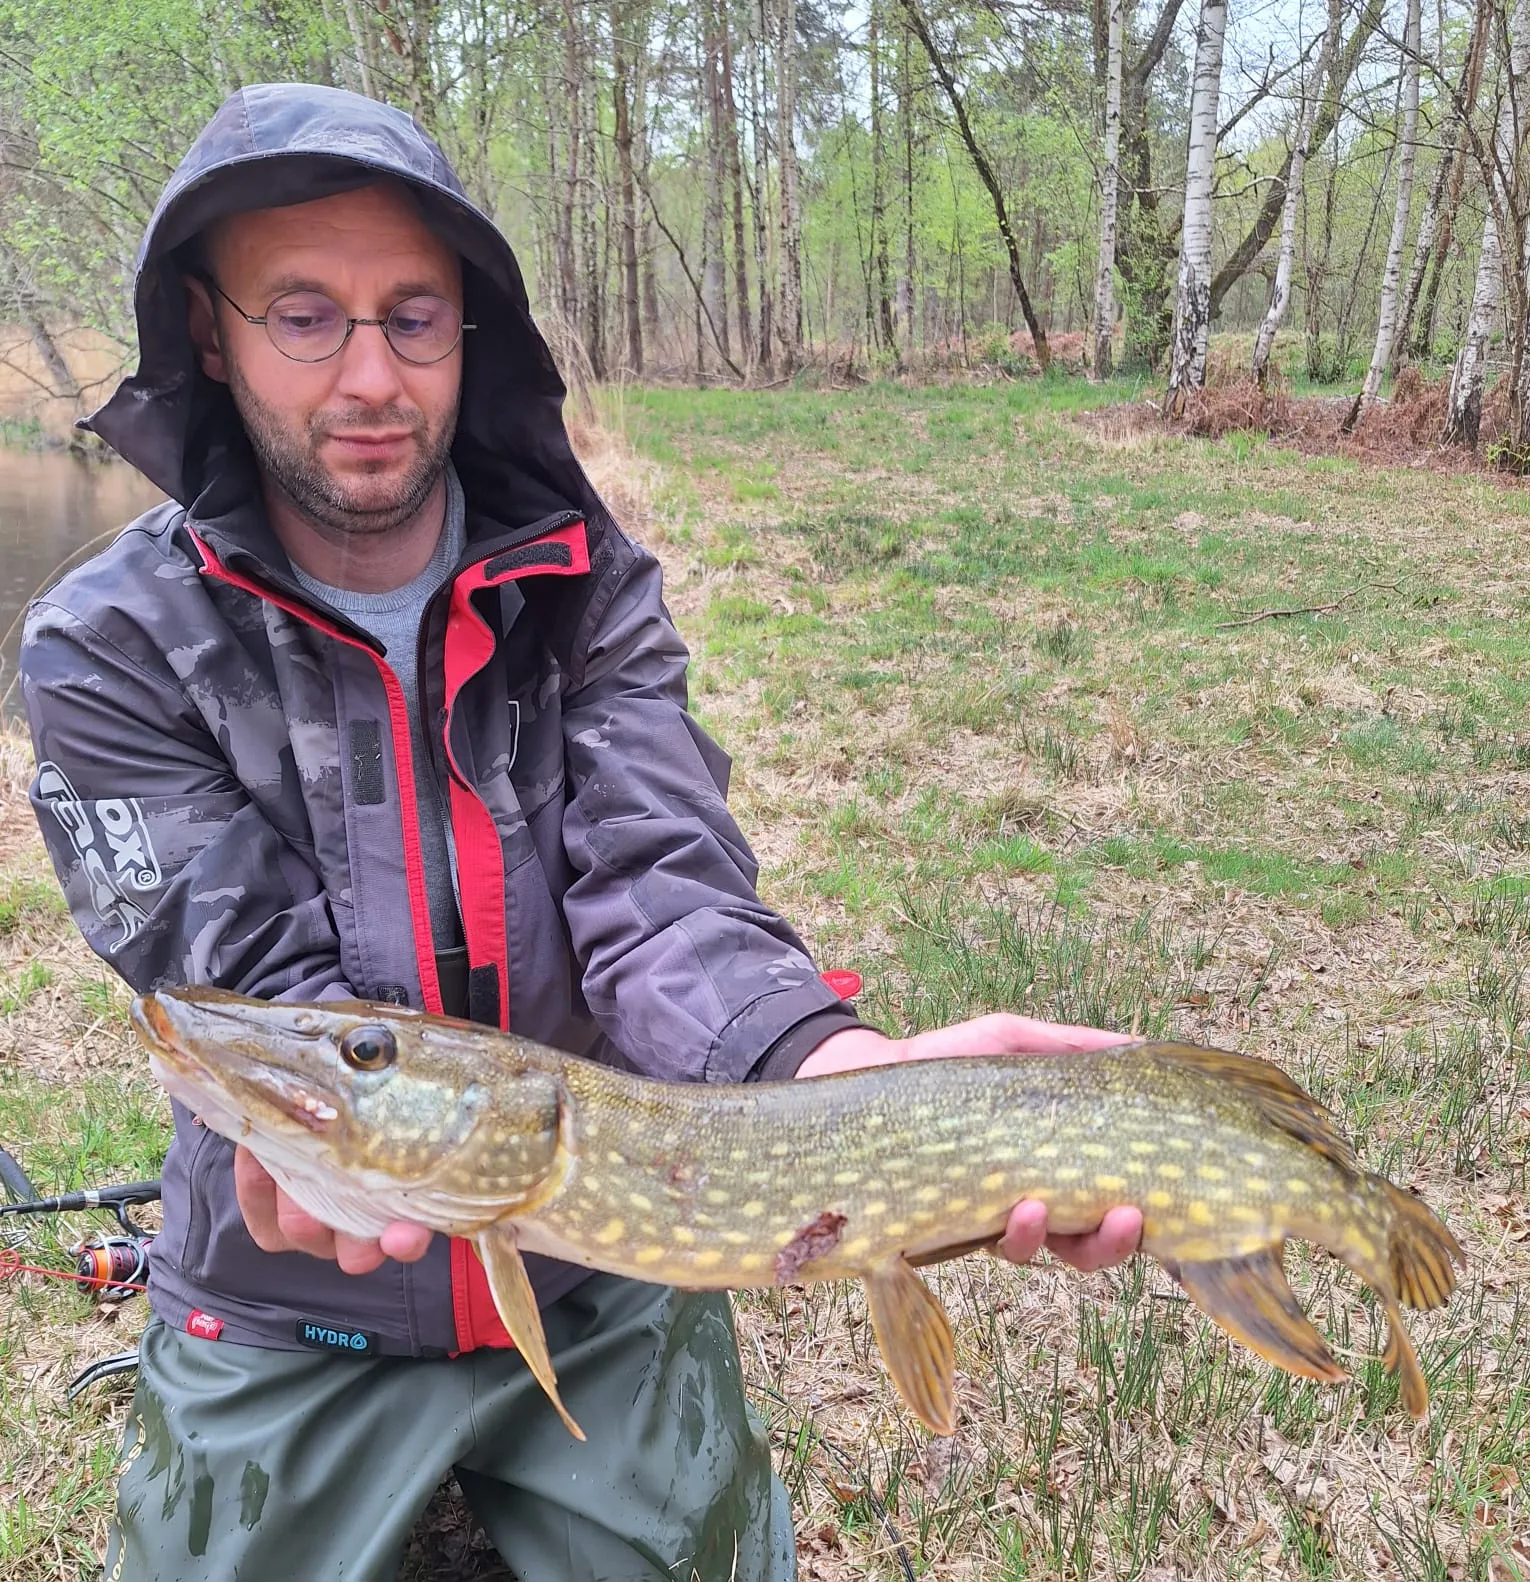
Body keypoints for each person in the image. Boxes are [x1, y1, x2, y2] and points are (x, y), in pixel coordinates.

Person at [21, 85, 1142, 1582]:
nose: (369, 375)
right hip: (288, 1290)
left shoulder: (584, 583)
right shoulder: (105, 644)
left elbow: (657, 885)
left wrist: (820, 1068)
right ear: (209, 334)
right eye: (305, 316)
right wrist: (301, 1146)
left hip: (604, 1262)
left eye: (412, 317)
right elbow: (243, 977)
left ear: (467, 333)